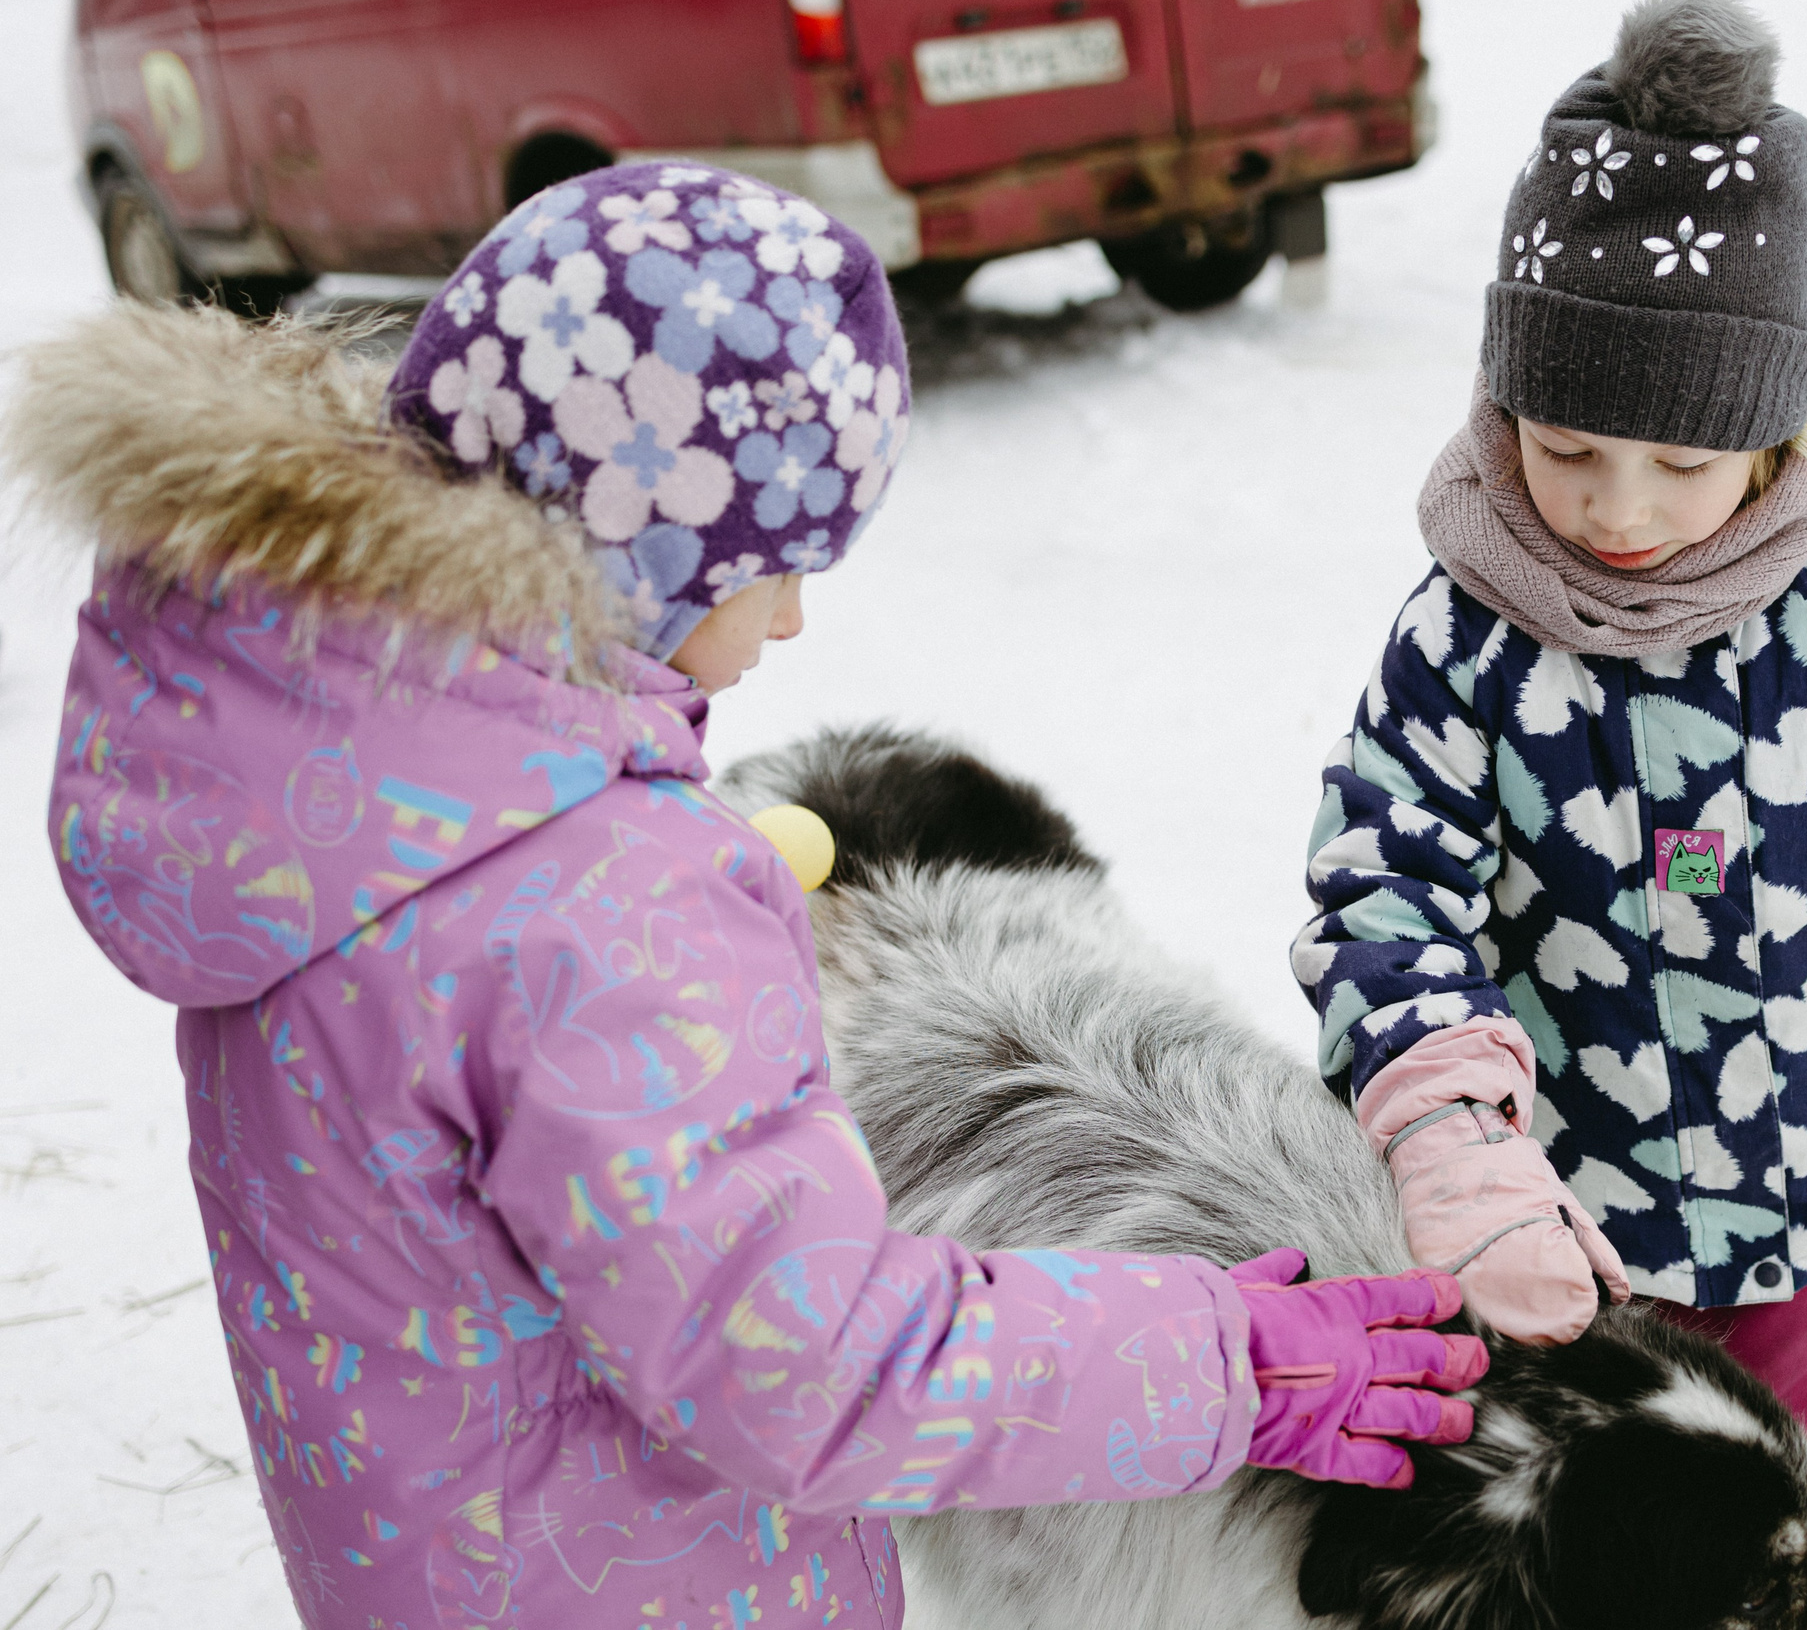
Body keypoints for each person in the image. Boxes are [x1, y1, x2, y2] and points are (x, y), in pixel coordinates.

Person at [12, 163, 1482, 1630]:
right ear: (634, 548)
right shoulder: (602, 911)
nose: (792, 617)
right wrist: (1230, 1360)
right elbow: (813, 1363)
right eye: (774, 566)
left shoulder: (325, 809)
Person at [1295, 0, 1807, 1580]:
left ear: (1773, 435)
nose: (1615, 510)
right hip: (1563, 1232)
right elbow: (1386, 887)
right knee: (1594, 1556)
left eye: (1681, 462)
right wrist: (1457, 1143)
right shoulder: (1466, 636)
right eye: (1567, 448)